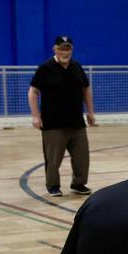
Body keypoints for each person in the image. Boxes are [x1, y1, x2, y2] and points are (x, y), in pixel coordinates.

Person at [29, 35, 97, 197]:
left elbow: (86, 89)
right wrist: (35, 116)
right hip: (53, 124)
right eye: (61, 48)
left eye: (68, 49)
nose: (65, 52)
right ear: (55, 49)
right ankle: (53, 185)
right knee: (53, 159)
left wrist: (90, 112)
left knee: (82, 157)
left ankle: (78, 184)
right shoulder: (45, 68)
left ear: (71, 50)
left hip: (76, 122)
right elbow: (33, 91)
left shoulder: (76, 67)